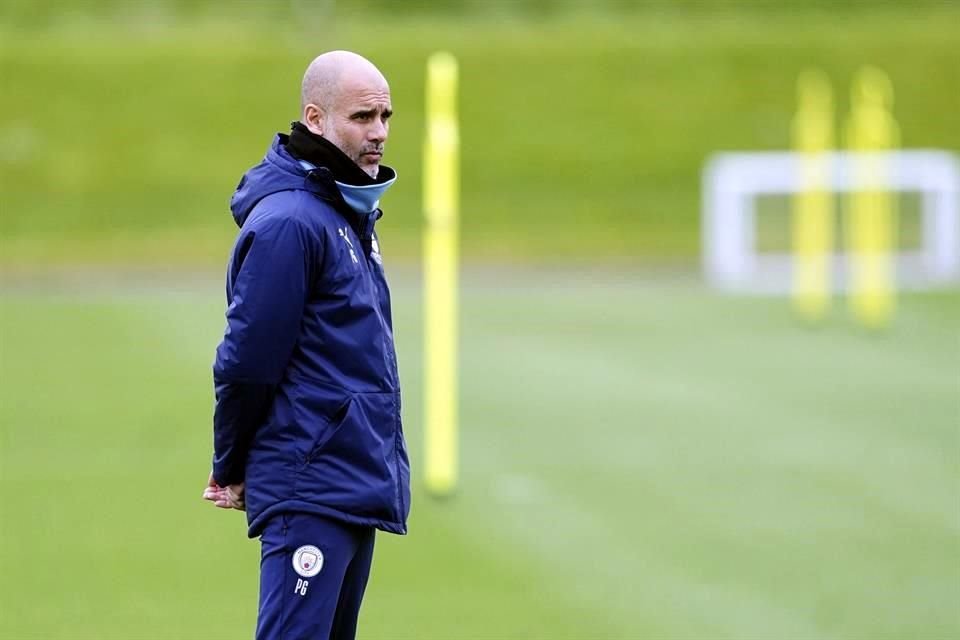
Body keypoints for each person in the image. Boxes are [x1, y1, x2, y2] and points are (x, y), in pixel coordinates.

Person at [202, 50, 410, 640]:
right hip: (310, 483)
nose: (380, 133)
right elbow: (247, 361)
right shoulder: (293, 223)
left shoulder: (344, 214)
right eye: (363, 117)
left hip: (348, 481)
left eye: (386, 116)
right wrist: (232, 464)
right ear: (315, 119)